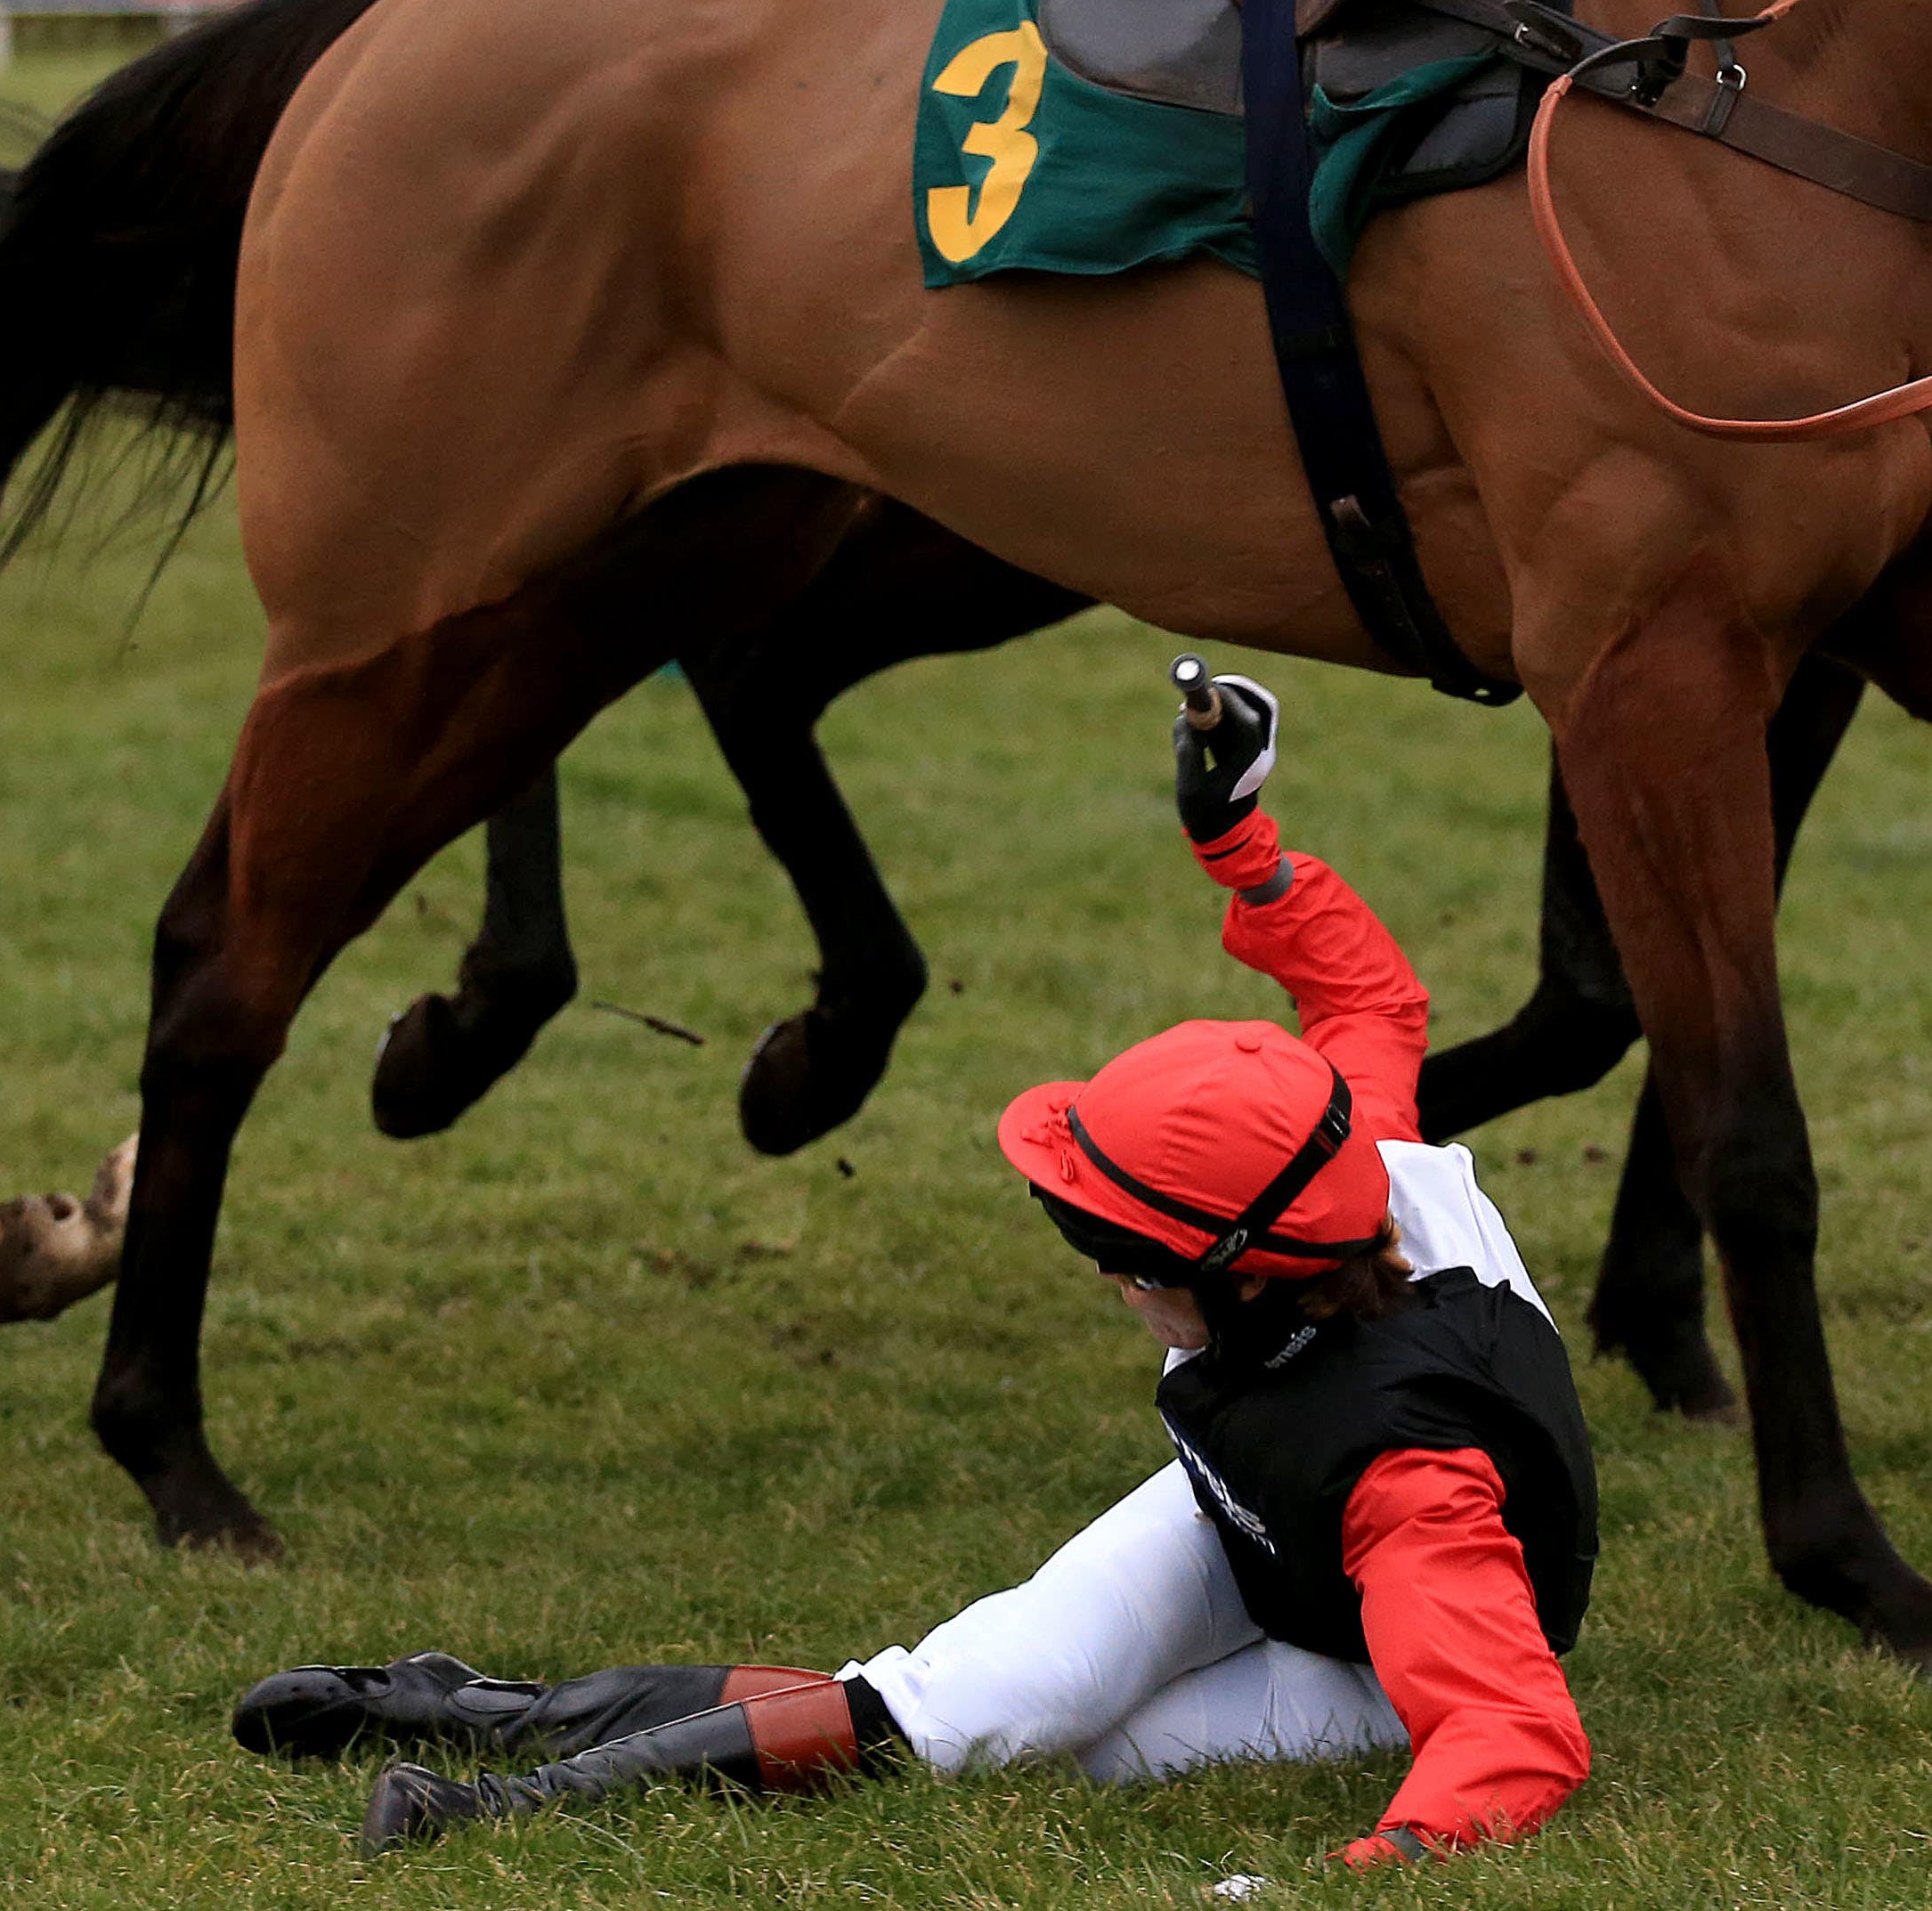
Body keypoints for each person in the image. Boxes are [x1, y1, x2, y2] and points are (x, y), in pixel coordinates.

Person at [232, 662, 1598, 1863]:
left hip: (1354, 1653)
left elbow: (1514, 1731)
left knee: (1041, 1751)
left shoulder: (1412, 1493)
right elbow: (1370, 1001)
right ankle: (480, 1731)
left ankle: (496, 1773)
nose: (1099, 1274)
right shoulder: (1363, 1168)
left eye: (1117, 1249)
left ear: (1248, 1270)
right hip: (1270, 1513)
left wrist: (1386, 1863)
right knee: (949, 1705)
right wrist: (1237, 839)